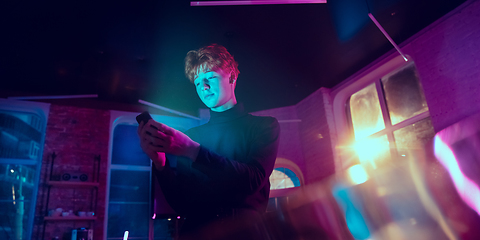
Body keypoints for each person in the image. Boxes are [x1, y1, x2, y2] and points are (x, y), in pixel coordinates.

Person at [137, 44, 280, 239]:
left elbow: (252, 180)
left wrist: (192, 151)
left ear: (232, 77)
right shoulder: (191, 136)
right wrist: (160, 164)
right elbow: (182, 204)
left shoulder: (264, 126)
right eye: (197, 82)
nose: (203, 87)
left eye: (210, 77)